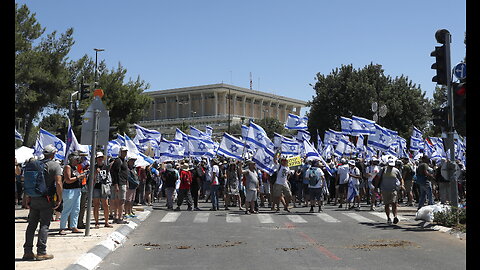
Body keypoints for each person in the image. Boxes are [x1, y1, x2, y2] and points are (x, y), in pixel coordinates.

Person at [22, 145, 63, 261]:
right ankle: (41, 252)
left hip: (34, 198)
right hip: (47, 199)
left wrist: (28, 198)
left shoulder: (36, 164)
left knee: (31, 225)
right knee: (44, 225)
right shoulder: (55, 165)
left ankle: (28, 252)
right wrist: (60, 198)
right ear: (53, 154)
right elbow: (59, 183)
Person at [59, 151, 86, 235]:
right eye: (76, 159)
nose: (78, 161)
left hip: (77, 190)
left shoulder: (75, 168)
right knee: (67, 209)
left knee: (76, 209)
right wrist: (78, 177)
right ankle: (62, 227)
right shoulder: (68, 167)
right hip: (69, 190)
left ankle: (74, 226)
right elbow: (68, 180)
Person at [379, 158, 404, 225]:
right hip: (385, 189)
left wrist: (401, 185)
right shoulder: (383, 170)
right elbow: (378, 178)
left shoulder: (396, 170)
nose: (391, 167)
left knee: (394, 203)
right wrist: (376, 187)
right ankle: (388, 218)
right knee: (387, 204)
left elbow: (401, 178)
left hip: (394, 190)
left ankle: (395, 216)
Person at [92, 152, 113, 228]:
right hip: (96, 187)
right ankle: (96, 222)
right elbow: (91, 179)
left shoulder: (106, 167)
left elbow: (109, 177)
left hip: (104, 187)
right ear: (96, 159)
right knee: (96, 205)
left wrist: (108, 186)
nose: (100, 159)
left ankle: (106, 222)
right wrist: (95, 173)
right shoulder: (93, 167)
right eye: (99, 158)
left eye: (101, 157)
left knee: (105, 204)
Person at [110, 146, 129, 224]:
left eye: (126, 152)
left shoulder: (124, 161)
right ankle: (119, 217)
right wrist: (116, 184)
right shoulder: (118, 161)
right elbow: (115, 173)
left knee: (120, 201)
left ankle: (117, 216)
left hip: (123, 182)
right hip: (119, 183)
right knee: (120, 201)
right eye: (123, 151)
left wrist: (126, 182)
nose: (125, 153)